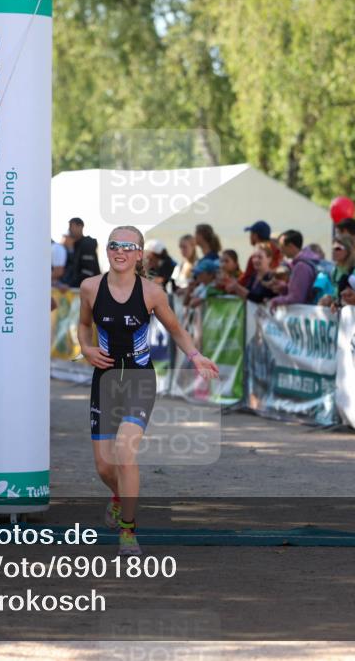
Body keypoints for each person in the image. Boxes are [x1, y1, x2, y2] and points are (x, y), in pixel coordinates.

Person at [78, 226, 219, 556]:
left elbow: (176, 330)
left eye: (128, 246)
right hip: (106, 379)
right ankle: (118, 497)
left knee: (125, 453)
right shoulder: (90, 288)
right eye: (115, 245)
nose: (120, 251)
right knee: (104, 466)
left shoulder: (153, 293)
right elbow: (84, 325)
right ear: (108, 250)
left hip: (140, 379)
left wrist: (196, 356)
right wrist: (85, 349)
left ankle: (128, 530)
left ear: (139, 254)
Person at [269, 229, 321, 309]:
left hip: (304, 315)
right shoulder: (304, 262)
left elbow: (296, 298)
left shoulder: (301, 266)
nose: (280, 250)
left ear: (291, 246)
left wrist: (275, 301)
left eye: (282, 246)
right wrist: (285, 288)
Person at [324, 234, 355, 303]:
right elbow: (334, 293)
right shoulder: (335, 271)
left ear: (349, 250)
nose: (333, 251)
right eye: (333, 248)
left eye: (338, 249)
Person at [61, 217, 100, 288]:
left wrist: (70, 285)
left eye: (71, 226)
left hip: (88, 289)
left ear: (80, 227)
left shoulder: (87, 244)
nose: (69, 230)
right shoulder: (75, 245)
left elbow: (87, 272)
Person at [239, 220, 281, 286]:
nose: (249, 237)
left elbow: (245, 280)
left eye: (251, 234)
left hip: (261, 289)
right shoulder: (278, 252)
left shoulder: (256, 256)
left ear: (255, 236)